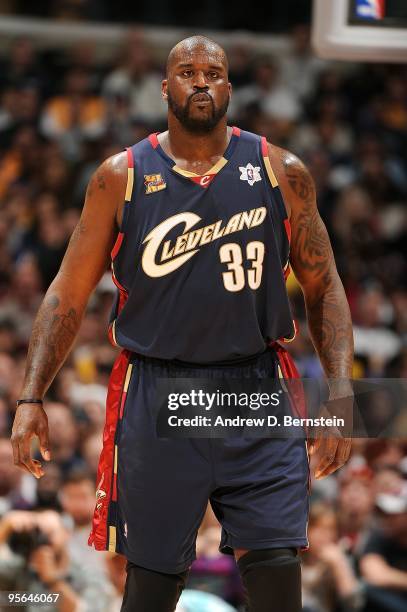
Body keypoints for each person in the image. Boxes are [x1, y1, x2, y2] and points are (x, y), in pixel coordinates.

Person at [11, 36, 354, 611]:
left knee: (276, 575)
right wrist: (30, 397)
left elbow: (325, 287)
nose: (201, 82)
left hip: (256, 391)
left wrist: (343, 392)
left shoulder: (280, 171)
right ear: (164, 86)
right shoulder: (119, 175)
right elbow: (65, 294)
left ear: (229, 87)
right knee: (151, 585)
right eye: (187, 72)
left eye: (213, 72)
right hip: (159, 390)